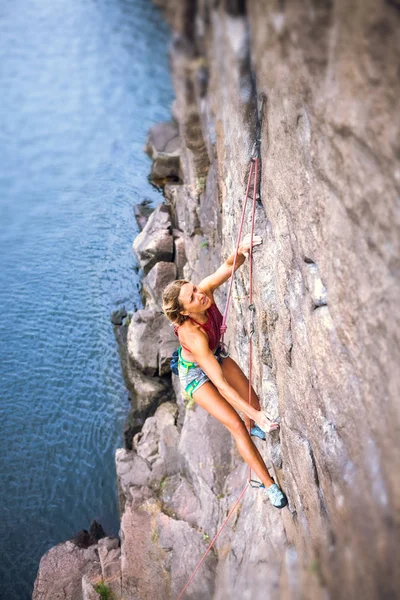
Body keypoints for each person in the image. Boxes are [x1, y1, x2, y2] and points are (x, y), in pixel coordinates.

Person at [161, 234, 288, 509]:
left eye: (194, 288)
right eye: (192, 297)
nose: (200, 294)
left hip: (214, 354)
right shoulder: (192, 335)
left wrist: (239, 250)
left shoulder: (205, 292)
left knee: (252, 401)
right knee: (237, 425)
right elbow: (219, 383)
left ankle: (255, 427)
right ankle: (269, 485)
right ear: (184, 313)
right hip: (196, 376)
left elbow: (229, 266)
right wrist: (253, 416)